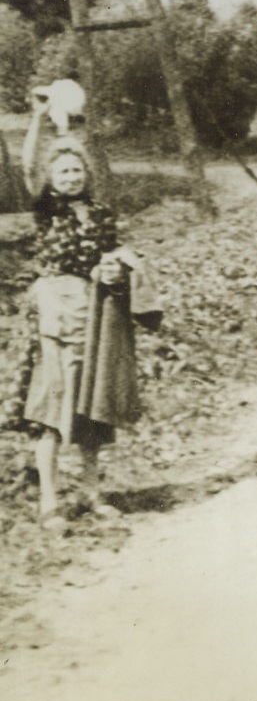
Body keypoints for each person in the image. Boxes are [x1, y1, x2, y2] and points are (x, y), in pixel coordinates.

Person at [15, 101, 160, 526]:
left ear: (86, 174)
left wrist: (119, 264)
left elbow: (110, 256)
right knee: (52, 407)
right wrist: (40, 119)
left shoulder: (100, 214)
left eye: (77, 170)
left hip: (94, 313)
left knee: (90, 407)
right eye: (63, 172)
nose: (71, 177)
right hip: (55, 315)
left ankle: (91, 494)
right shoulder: (46, 209)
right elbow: (27, 163)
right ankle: (49, 503)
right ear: (51, 179)